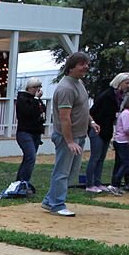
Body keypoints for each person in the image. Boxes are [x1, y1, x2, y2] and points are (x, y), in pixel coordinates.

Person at [40, 52, 98, 217]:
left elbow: (83, 109)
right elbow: (65, 118)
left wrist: (91, 122)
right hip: (68, 137)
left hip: (79, 135)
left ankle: (49, 200)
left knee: (71, 173)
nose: (86, 67)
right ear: (71, 67)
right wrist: (70, 141)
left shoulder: (79, 83)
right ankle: (57, 205)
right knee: (62, 172)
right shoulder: (66, 88)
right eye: (81, 64)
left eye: (86, 63)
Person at [86, 73, 129, 193]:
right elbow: (92, 111)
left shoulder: (119, 97)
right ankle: (89, 184)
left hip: (107, 130)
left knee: (101, 158)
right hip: (98, 129)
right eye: (126, 83)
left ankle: (97, 182)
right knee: (95, 157)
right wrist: (93, 124)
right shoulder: (107, 95)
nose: (128, 86)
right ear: (119, 82)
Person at [14, 78, 45, 185]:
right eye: (36, 87)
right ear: (29, 88)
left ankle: (20, 181)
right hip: (25, 132)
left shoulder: (36, 100)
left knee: (28, 158)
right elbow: (28, 112)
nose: (38, 90)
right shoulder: (22, 99)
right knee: (31, 156)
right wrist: (36, 99)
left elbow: (41, 111)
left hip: (36, 132)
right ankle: (24, 182)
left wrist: (37, 100)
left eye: (39, 87)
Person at [108, 94, 129, 194]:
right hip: (122, 142)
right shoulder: (126, 114)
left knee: (119, 163)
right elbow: (127, 129)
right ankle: (114, 185)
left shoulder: (126, 113)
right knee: (126, 164)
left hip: (121, 141)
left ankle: (115, 185)